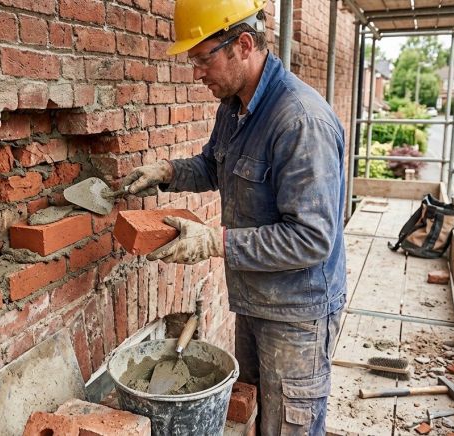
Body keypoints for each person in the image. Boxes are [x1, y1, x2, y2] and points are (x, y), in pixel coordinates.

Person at [121, 1, 348, 434]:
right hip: (255, 297)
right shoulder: (235, 106)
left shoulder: (299, 120)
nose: (196, 73)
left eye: (203, 58)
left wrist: (214, 241)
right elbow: (212, 165)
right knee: (255, 413)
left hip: (297, 313)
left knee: (289, 427)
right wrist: (167, 172)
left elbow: (311, 238)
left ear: (243, 44)